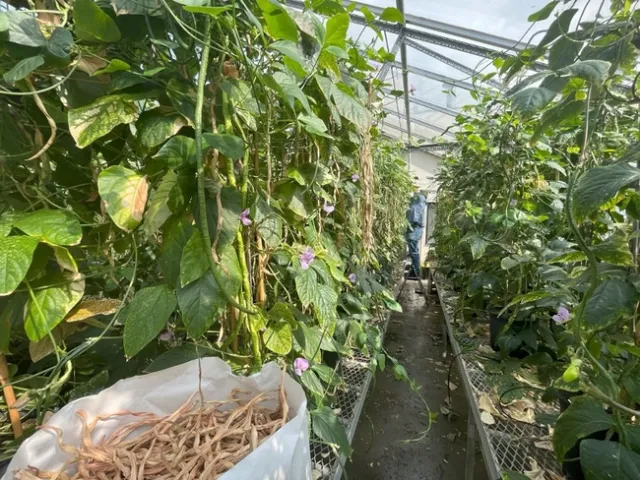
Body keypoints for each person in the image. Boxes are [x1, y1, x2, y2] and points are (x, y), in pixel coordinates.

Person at [406, 189, 426, 280]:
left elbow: (414, 219)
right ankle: (415, 271)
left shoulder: (416, 205)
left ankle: (415, 273)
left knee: (414, 252)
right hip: (415, 232)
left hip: (413, 232)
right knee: (414, 251)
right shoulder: (420, 204)